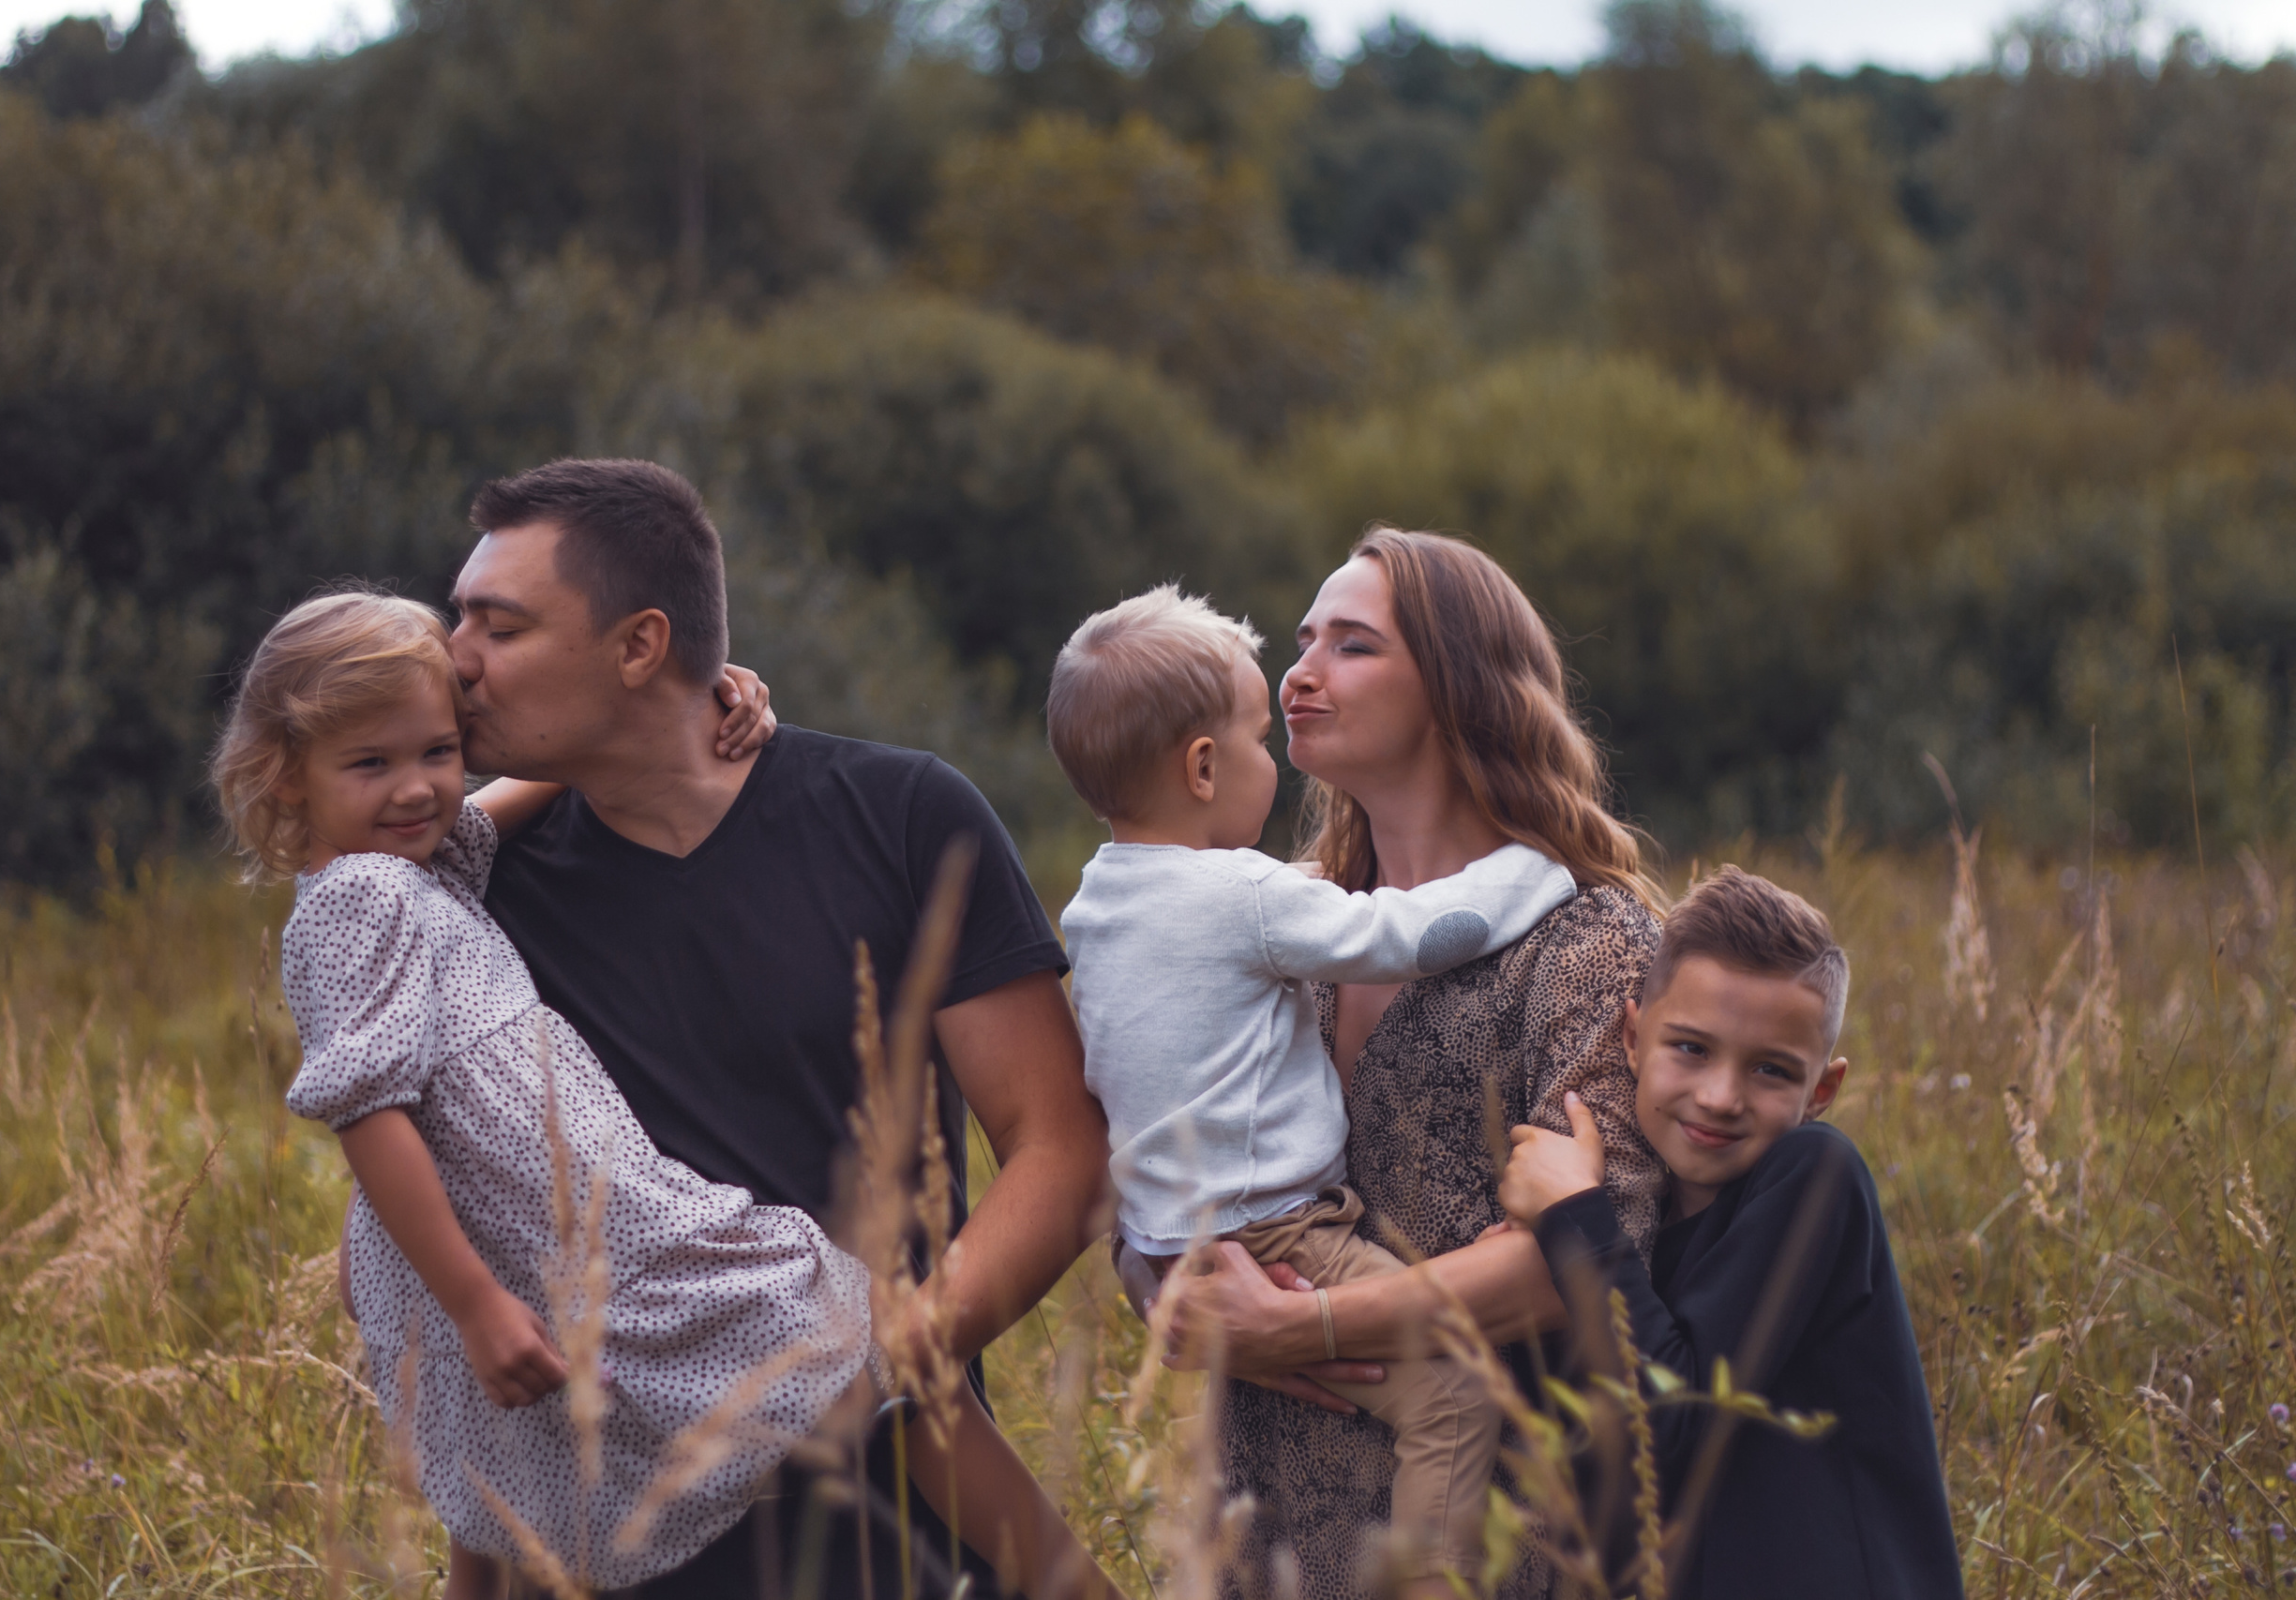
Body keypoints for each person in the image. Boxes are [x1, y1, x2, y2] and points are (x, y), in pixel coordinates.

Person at [216, 591, 1117, 1600]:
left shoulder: (417, 867)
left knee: (520, 1473)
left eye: (437, 752)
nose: (419, 790)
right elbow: (368, 1112)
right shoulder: (355, 898)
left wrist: (693, 704)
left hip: (559, 1216)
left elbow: (523, 792)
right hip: (556, 1227)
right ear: (286, 777)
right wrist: (472, 1301)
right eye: (370, 764)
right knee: (855, 1356)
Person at [451, 458, 1115, 1597]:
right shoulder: (480, 894)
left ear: (638, 646)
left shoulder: (902, 815)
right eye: (454, 618)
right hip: (614, 1537)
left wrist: (884, 1363)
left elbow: (1057, 1149)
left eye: (498, 628)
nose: (454, 657)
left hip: (904, 1509)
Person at [1154, 529, 1669, 1600]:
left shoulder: (1584, 941)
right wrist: (1164, 1286)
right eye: (1302, 643)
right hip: (1255, 1514)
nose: (1297, 675)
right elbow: (1149, 1148)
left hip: (1491, 1529)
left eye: (1353, 646)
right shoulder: (1269, 920)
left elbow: (1592, 1255)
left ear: (1457, 690)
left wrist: (1302, 1323)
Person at [1045, 585, 1579, 1593]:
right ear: (1202, 768)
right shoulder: (1247, 897)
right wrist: (1536, 871)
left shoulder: (1096, 906)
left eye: (1351, 644)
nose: (1286, 713)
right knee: (1454, 1398)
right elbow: (1413, 935)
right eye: (1256, 735)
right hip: (1279, 1237)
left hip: (1172, 1245)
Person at [1499, 867, 1965, 1600]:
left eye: (1770, 1070)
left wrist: (1572, 1213)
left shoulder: (1817, 1177)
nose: (1720, 1096)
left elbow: (1673, 1423)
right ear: (1631, 1035)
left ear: (1822, 1091)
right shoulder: (1638, 1224)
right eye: (1691, 1048)